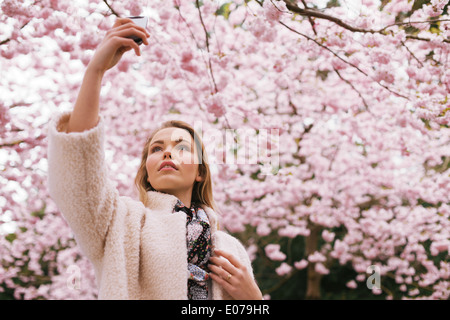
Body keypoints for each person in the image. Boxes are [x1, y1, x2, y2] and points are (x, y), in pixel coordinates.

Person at [47, 17, 263, 300]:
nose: (168, 152)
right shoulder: (121, 222)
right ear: (147, 171)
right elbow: (79, 177)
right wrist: (96, 71)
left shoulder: (229, 248)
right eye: (156, 148)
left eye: (182, 147)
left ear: (200, 172)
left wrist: (254, 299)